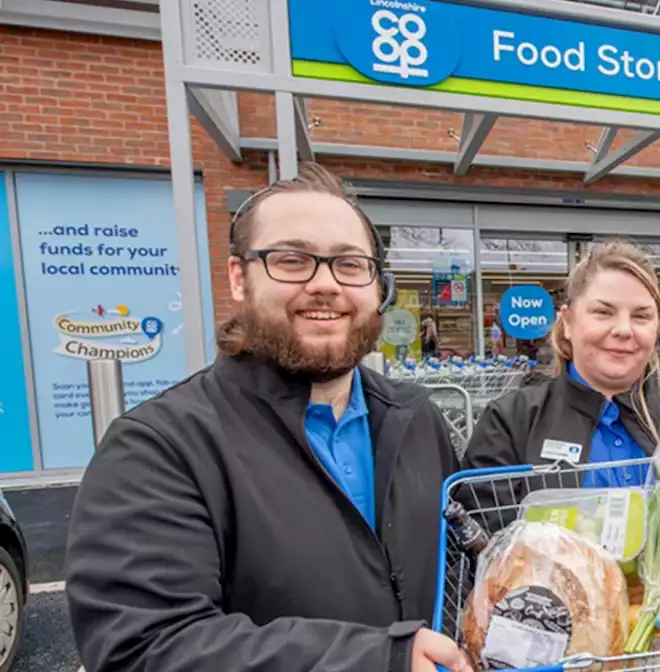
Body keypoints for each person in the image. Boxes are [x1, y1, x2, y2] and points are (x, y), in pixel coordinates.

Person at [64, 163, 471, 672]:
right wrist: (379, 660)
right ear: (239, 277)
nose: (326, 285)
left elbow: (459, 568)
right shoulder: (160, 447)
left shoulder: (416, 419)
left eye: (350, 264)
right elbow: (144, 647)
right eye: (293, 260)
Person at [461, 241, 660, 511]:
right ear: (567, 322)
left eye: (641, 316)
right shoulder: (511, 422)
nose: (624, 330)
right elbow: (487, 539)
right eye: (603, 312)